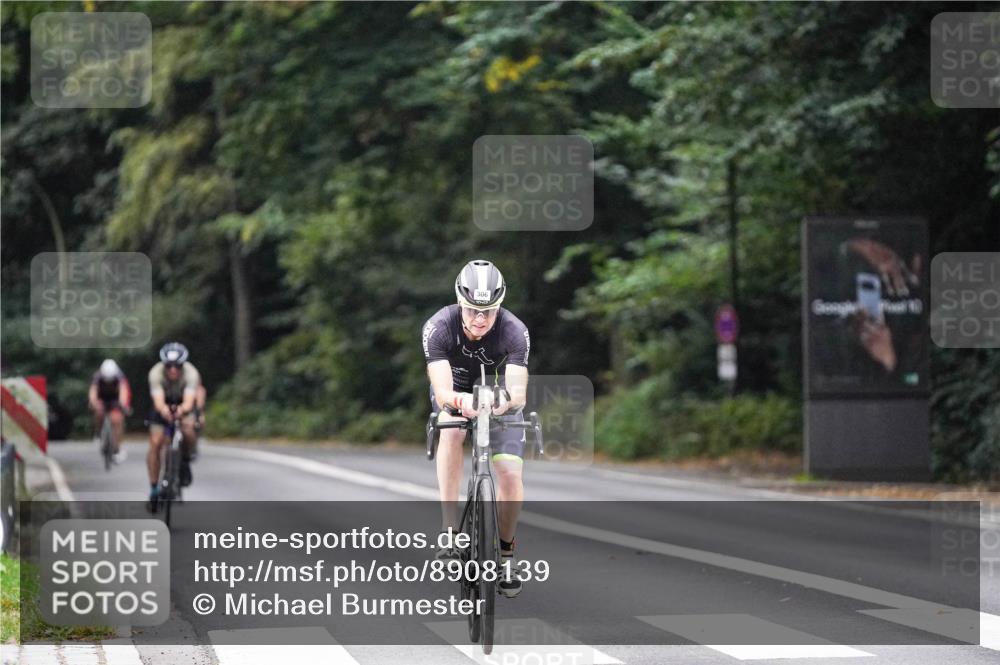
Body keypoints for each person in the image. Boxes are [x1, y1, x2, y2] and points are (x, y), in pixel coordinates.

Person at [421, 260, 530, 598]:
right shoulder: (438, 327)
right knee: (451, 429)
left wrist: (500, 402)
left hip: (499, 397)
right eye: (472, 310)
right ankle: (450, 529)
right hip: (455, 389)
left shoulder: (514, 330)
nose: (480, 319)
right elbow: (440, 390)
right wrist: (459, 401)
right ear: (459, 302)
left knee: (510, 473)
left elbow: (518, 392)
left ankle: (507, 554)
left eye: (489, 311)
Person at [147, 342, 203, 507]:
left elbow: (189, 400)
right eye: (169, 366)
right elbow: (158, 400)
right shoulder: (155, 373)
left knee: (188, 429)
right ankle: (154, 488)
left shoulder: (192, 373)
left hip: (183, 404)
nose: (173, 370)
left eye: (177, 366)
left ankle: (185, 459)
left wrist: (182, 411)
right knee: (155, 443)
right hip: (163, 405)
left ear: (182, 365)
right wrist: (164, 410)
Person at [88, 359, 131, 463]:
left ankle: (116, 446)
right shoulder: (97, 377)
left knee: (117, 419)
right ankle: (98, 431)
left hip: (115, 399)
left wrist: (123, 405)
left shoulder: (119, 377)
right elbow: (93, 392)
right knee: (98, 412)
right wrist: (94, 403)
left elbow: (123, 391)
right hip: (102, 398)